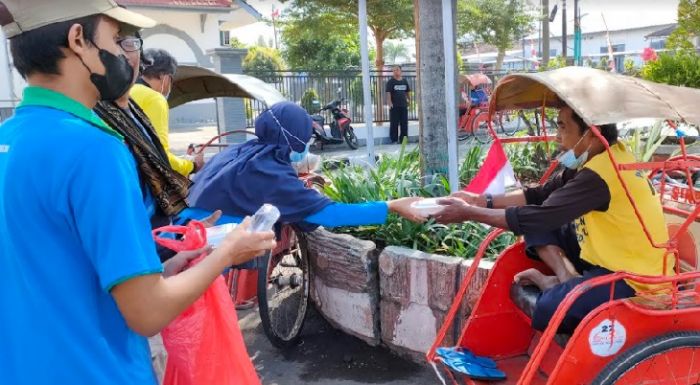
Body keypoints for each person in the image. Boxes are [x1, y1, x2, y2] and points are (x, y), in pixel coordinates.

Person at [0, 2, 275, 384]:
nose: (128, 56)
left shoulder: (9, 139)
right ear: (78, 40)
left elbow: (58, 264)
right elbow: (147, 313)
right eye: (116, 39)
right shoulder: (94, 149)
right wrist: (229, 252)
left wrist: (166, 267)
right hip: (96, 370)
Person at [432, 104, 672, 334]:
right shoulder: (603, 153)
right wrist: (478, 201)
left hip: (635, 281)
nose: (557, 137)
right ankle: (565, 277)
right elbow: (539, 194)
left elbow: (543, 216)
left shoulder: (600, 176)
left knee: (549, 308)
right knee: (536, 214)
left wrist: (469, 213)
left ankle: (558, 284)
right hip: (605, 255)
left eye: (563, 128)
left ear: (589, 134)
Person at [187, 101, 425, 230]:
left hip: (180, 228)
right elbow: (331, 215)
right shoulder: (270, 172)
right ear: (295, 136)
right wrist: (392, 205)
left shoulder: (241, 151)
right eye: (305, 136)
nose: (306, 144)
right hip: (210, 243)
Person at [131, 48, 204, 177]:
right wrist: (192, 165)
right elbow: (160, 156)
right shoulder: (154, 99)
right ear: (164, 76)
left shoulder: (127, 91)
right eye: (171, 79)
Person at [385, 65, 411, 144]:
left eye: (397, 70)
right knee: (394, 123)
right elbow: (388, 93)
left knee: (404, 123)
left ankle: (404, 140)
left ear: (400, 71)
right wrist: (390, 103)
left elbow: (407, 92)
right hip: (394, 106)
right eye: (394, 70)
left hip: (403, 105)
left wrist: (409, 100)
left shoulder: (404, 81)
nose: (395, 71)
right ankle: (394, 140)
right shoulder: (390, 82)